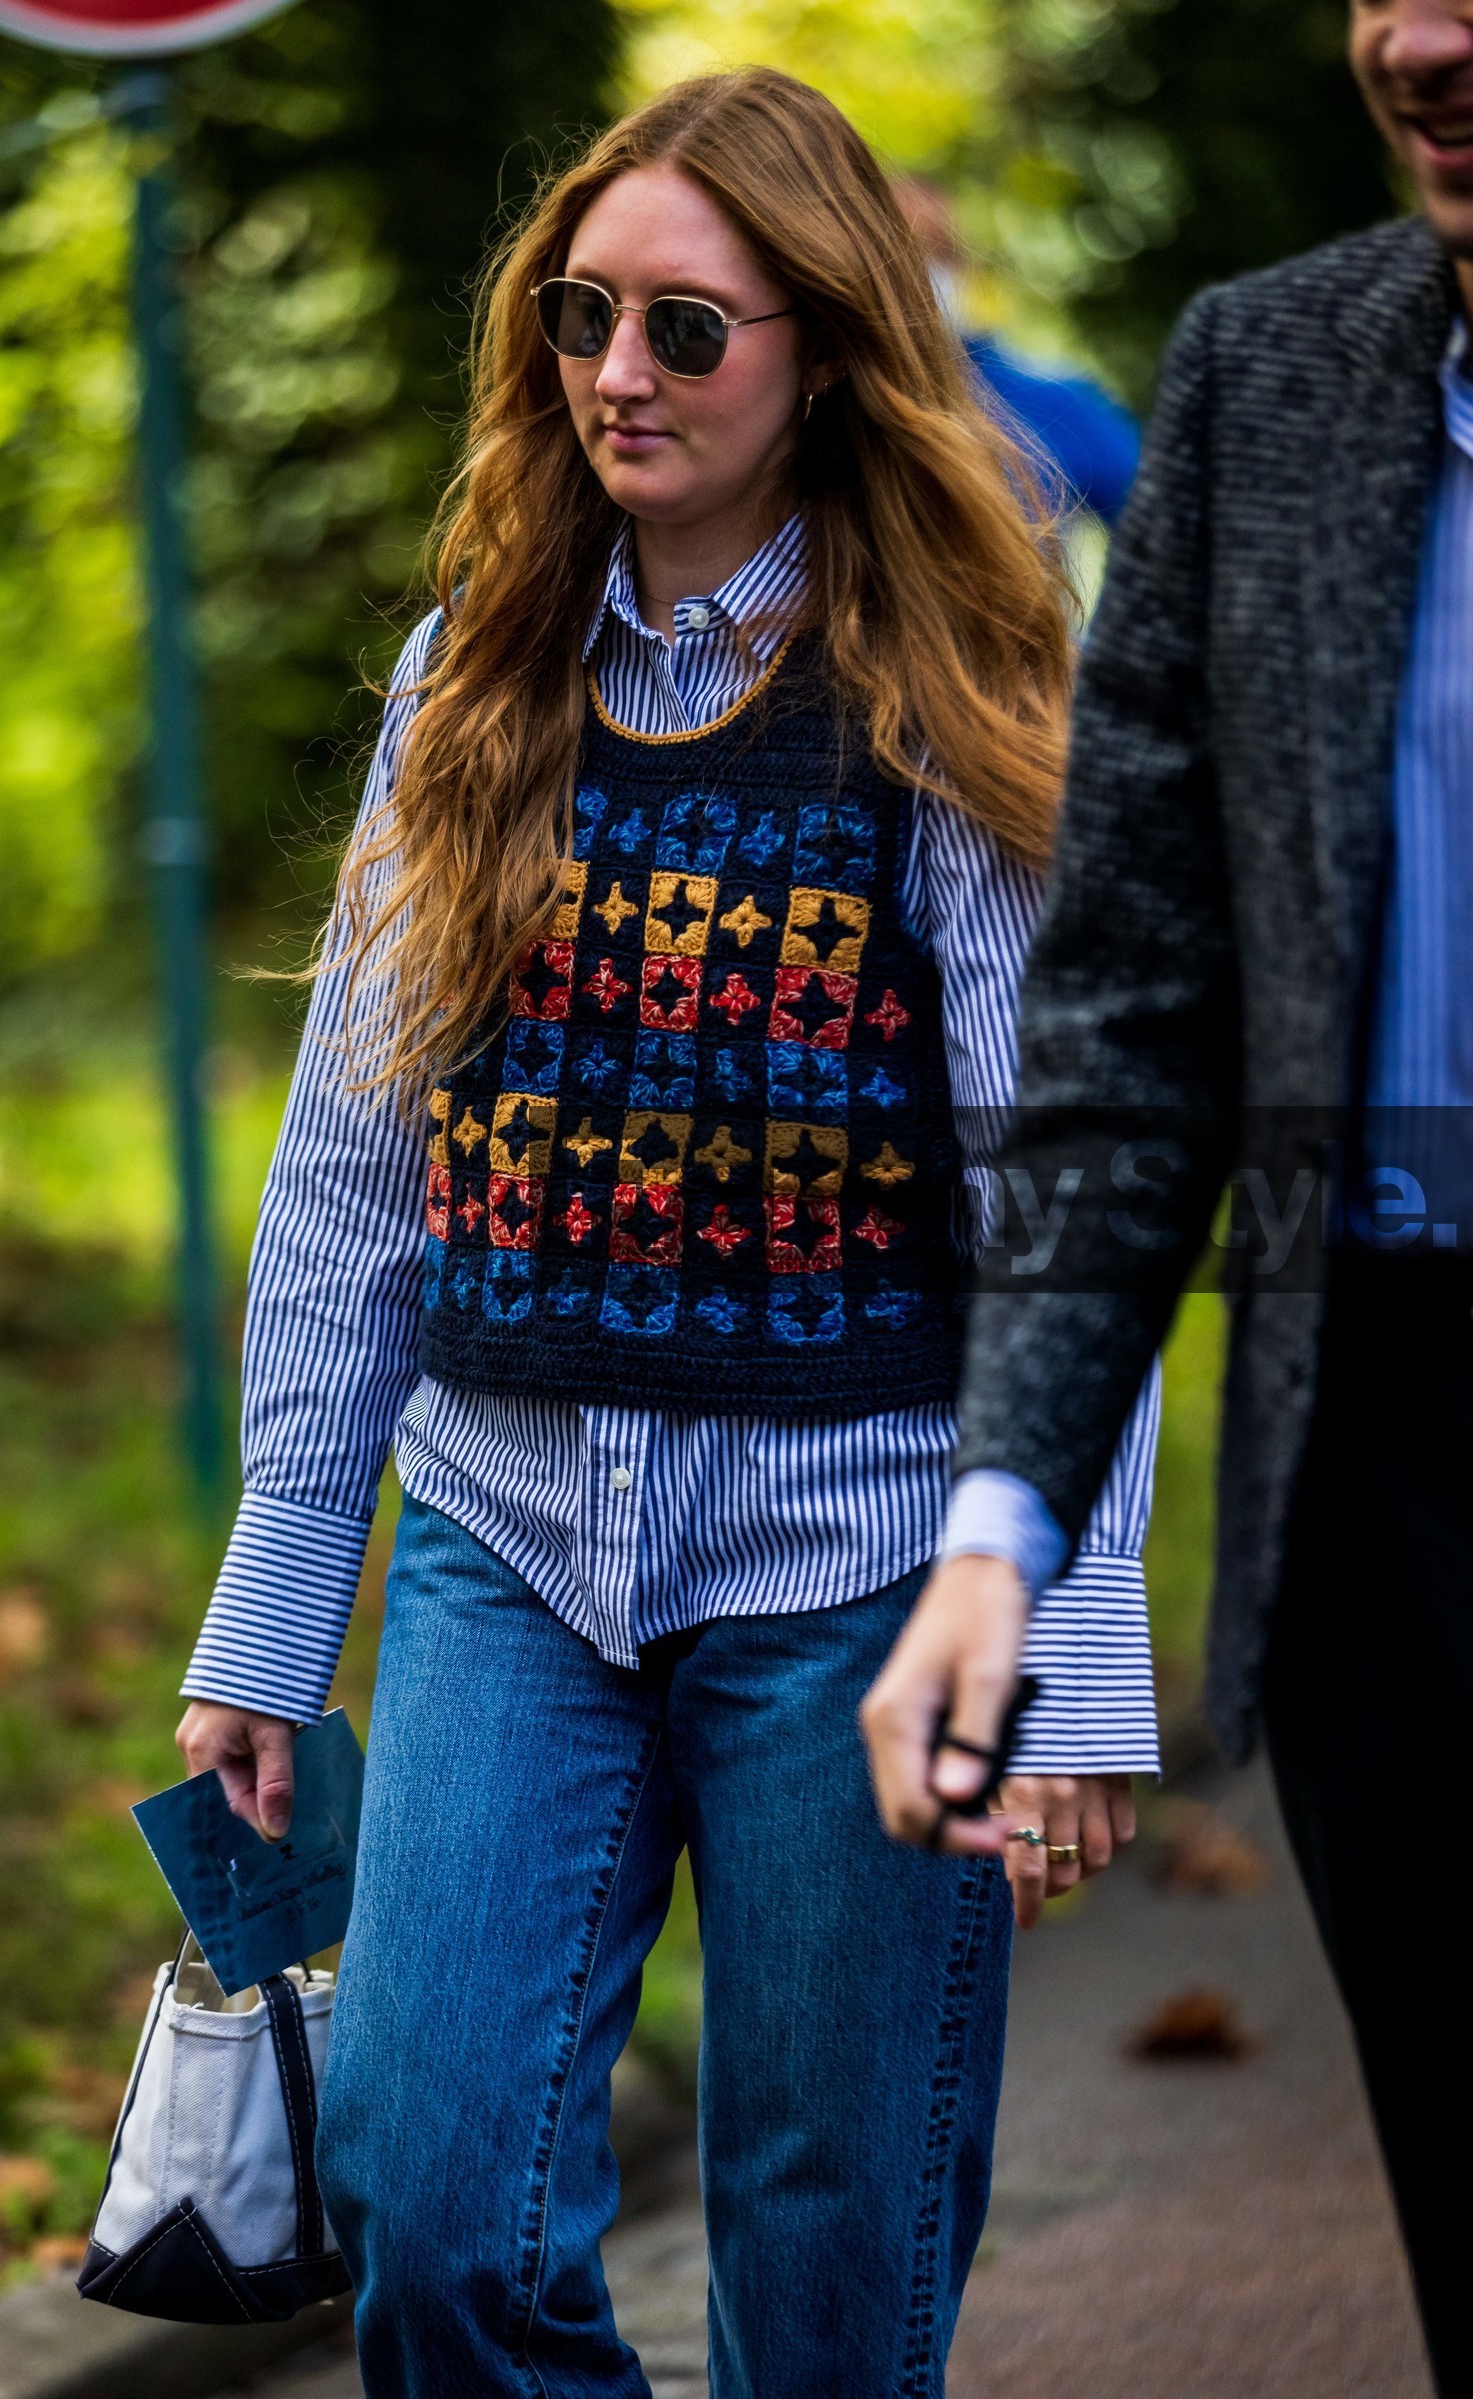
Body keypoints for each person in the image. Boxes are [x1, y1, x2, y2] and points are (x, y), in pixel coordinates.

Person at [174, 67, 1160, 2398]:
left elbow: (1061, 1185)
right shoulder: (471, 678)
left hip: (866, 1579)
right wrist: (273, 1599)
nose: (616, 373)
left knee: (829, 2285)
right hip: (506, 1539)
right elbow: (348, 1156)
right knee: (424, 2206)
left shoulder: (948, 705)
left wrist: (1071, 1653)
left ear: (821, 349)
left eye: (683, 330)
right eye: (578, 317)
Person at [861, 1, 1473, 2389]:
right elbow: (1123, 1019)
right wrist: (1001, 1516)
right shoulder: (1267, 375)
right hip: (1380, 1450)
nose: (1416, 34)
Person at [895, 177, 1142, 531]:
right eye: (899, 261)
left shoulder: (1053, 401)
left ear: (965, 268)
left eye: (937, 253)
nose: (921, 276)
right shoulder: (820, 403)